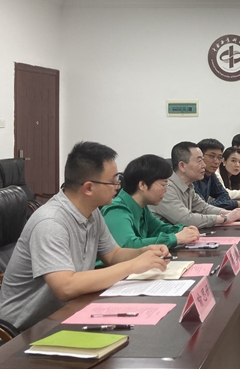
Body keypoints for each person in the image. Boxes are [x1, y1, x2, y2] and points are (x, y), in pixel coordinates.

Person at [0, 142, 170, 331]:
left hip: (69, 313)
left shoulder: (92, 212)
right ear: (88, 188)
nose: (118, 187)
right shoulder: (50, 222)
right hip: (24, 331)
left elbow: (113, 255)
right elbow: (65, 287)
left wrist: (143, 252)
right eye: (113, 182)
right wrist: (132, 265)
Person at [102, 154, 200, 249]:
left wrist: (183, 230)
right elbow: (128, 245)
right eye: (163, 185)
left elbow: (159, 229)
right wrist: (175, 238)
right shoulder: (116, 210)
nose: (165, 190)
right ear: (142, 185)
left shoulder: (142, 207)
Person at [150, 141, 240, 228]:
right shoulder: (165, 188)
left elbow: (203, 208)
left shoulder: (188, 186)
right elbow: (186, 219)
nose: (204, 165)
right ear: (182, 166)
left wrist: (230, 213)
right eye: (199, 161)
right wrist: (225, 218)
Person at [194, 138, 240, 210]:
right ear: (200, 157)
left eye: (219, 157)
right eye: (212, 156)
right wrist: (235, 203)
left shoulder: (211, 175)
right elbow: (201, 207)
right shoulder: (193, 177)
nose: (216, 161)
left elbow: (225, 195)